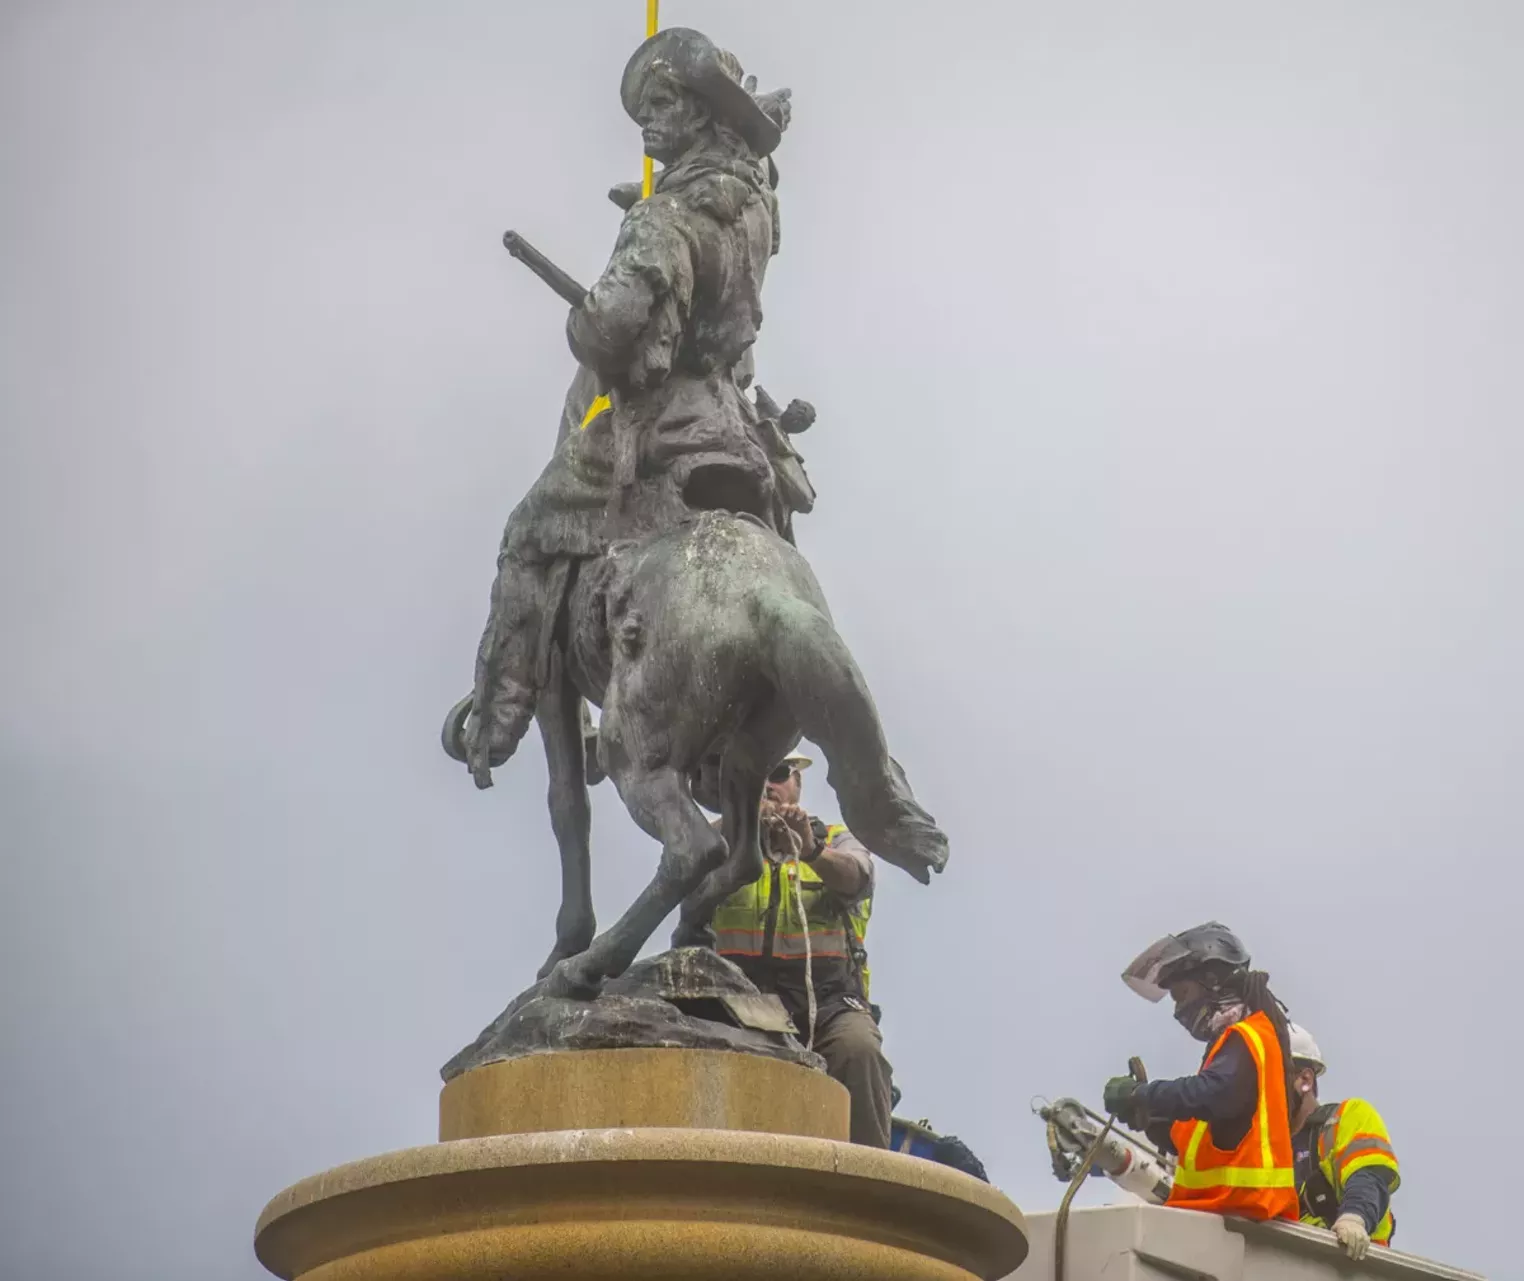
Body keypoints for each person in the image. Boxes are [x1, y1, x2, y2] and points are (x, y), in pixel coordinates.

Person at [465, 28, 796, 783]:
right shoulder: (757, 210)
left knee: (526, 532)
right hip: (729, 423)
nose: (648, 125)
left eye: (663, 104)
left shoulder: (662, 220)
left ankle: (501, 706)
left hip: (659, 428)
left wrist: (584, 320)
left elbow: (612, 329)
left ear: (704, 112)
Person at [707, 754, 894, 1148]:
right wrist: (737, 828)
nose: (766, 786)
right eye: (754, 773)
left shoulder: (839, 837)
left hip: (828, 1006)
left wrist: (810, 850)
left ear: (796, 784)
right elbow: (683, 873)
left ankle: (870, 1188)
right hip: (739, 1004)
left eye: (776, 774)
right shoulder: (715, 840)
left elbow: (857, 877)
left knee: (858, 1050)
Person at [1103, 922, 1299, 1223]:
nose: (1179, 1010)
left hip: (1241, 1220)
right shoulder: (1231, 1047)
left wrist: (1142, 1094)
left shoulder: (1248, 1037)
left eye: (1182, 994)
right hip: (1224, 1218)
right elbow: (1204, 1139)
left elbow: (1214, 1093)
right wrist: (1152, 1119)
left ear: (1213, 981)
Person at [1286, 1023, 1401, 1259]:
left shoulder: (1344, 1118)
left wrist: (1354, 1217)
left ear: (1305, 1079)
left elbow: (1369, 1175)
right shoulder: (1262, 1149)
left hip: (1349, 1267)